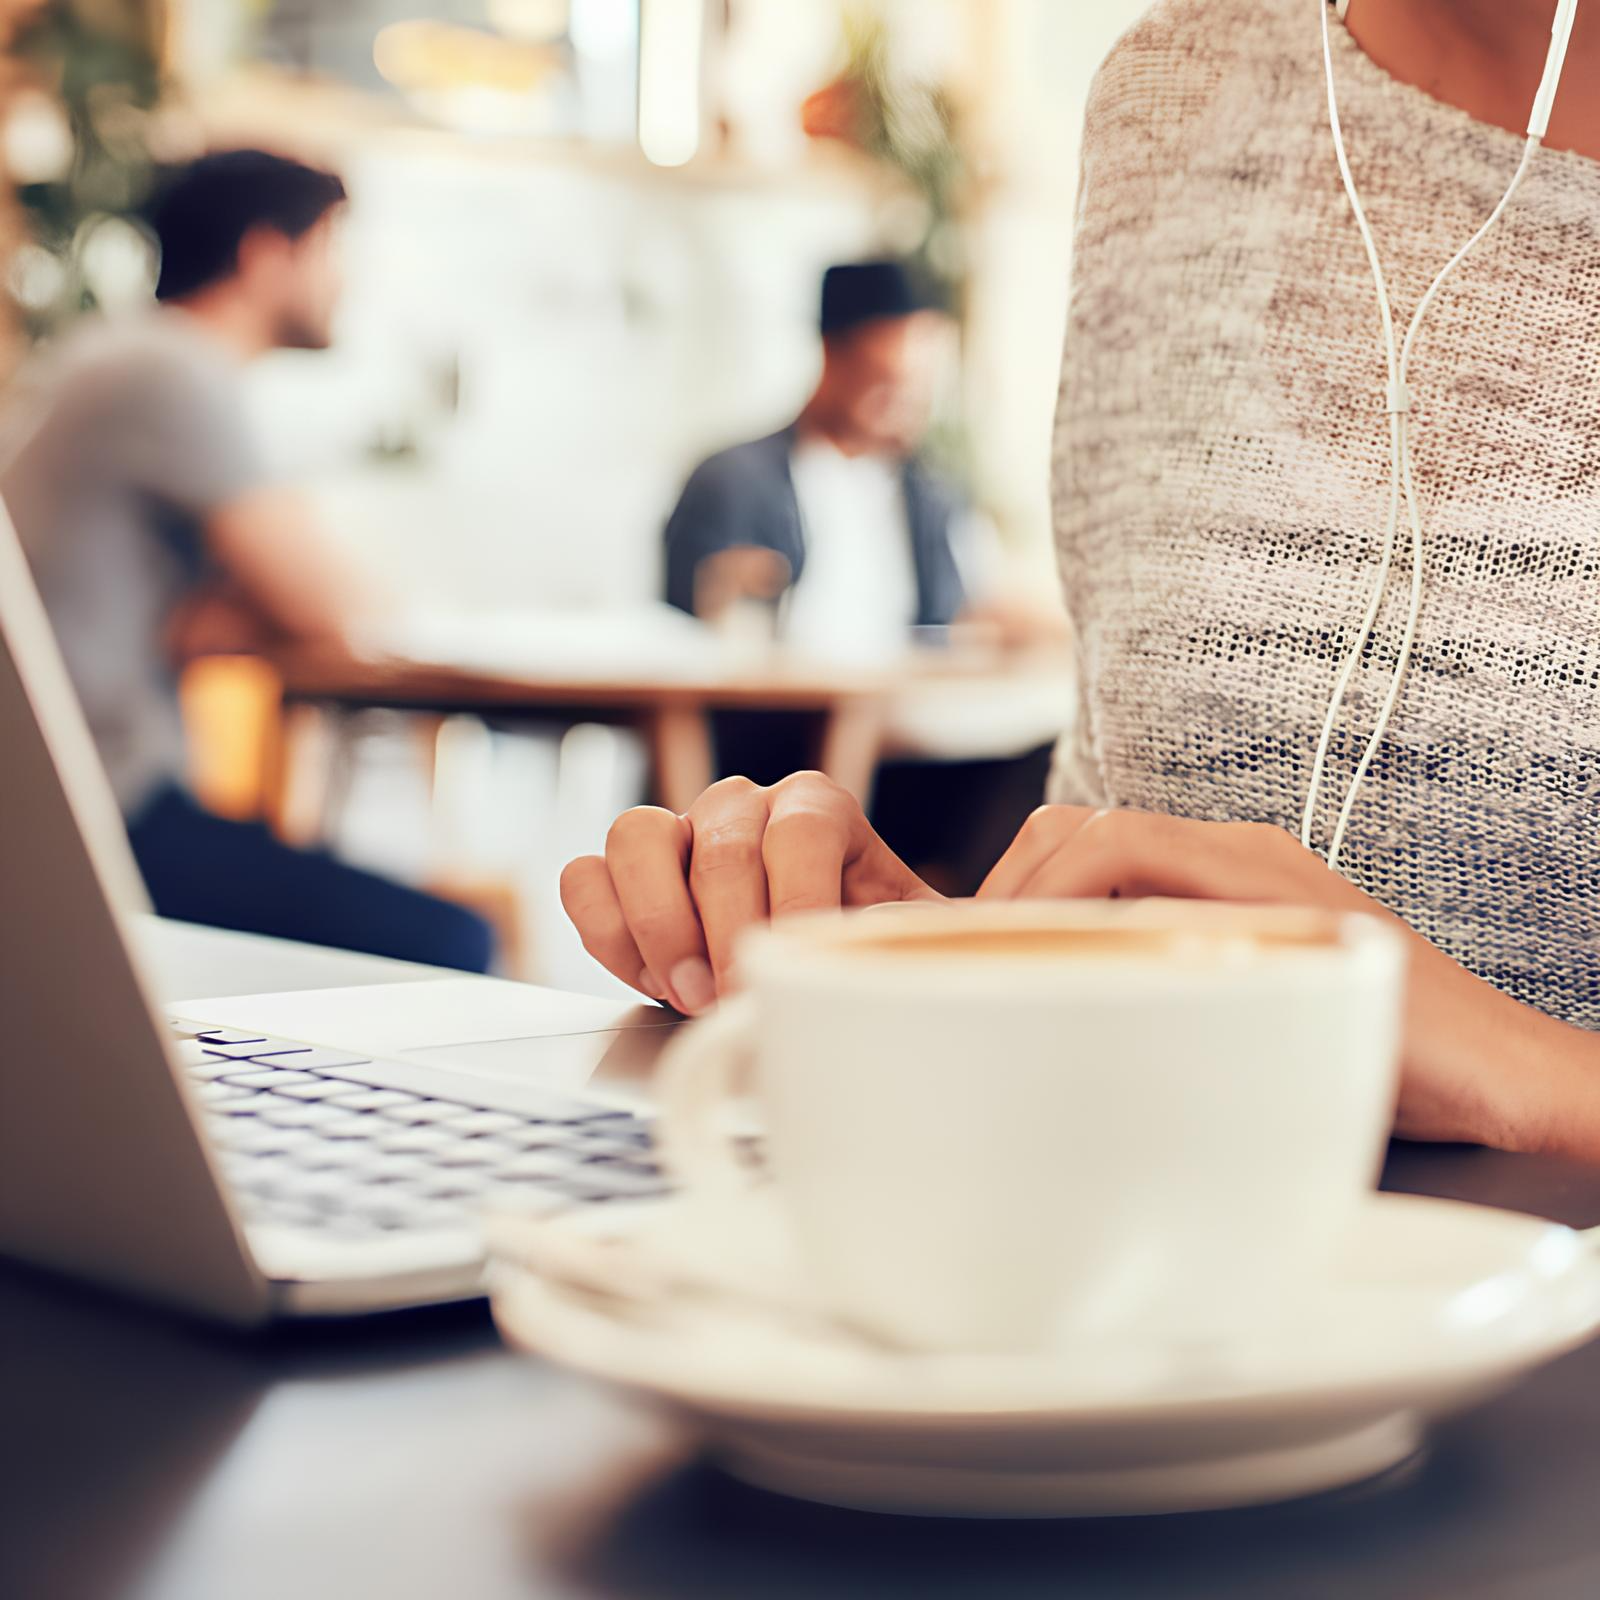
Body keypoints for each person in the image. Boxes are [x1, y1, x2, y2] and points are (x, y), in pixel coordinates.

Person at [562, 0, 1600, 1160]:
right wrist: (931, 949)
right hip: (1099, 1242)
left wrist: (1521, 1071)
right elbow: (1125, 864)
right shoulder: (1181, 93)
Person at [2, 149, 493, 972]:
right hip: (99, 813)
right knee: (454, 938)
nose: (346, 282)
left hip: (72, 795)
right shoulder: (169, 371)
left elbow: (207, 619)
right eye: (332, 250)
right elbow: (338, 611)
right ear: (268, 256)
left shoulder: (121, 358)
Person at [663, 258, 1055, 889]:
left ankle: (956, 937)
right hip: (773, 758)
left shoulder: (930, 493)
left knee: (1047, 771)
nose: (901, 405)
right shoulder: (733, 481)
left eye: (916, 389)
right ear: (832, 356)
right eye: (884, 380)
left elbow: (961, 608)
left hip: (902, 756)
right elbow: (688, 629)